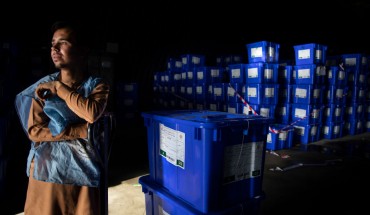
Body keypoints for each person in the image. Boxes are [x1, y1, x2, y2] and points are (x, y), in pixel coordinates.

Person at [14, 20, 110, 215]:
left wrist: (60, 88)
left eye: (63, 42)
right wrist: (80, 131)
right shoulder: (41, 88)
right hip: (47, 171)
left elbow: (90, 113)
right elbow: (35, 131)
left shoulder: (96, 86)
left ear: (82, 50)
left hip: (83, 173)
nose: (54, 48)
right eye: (52, 44)